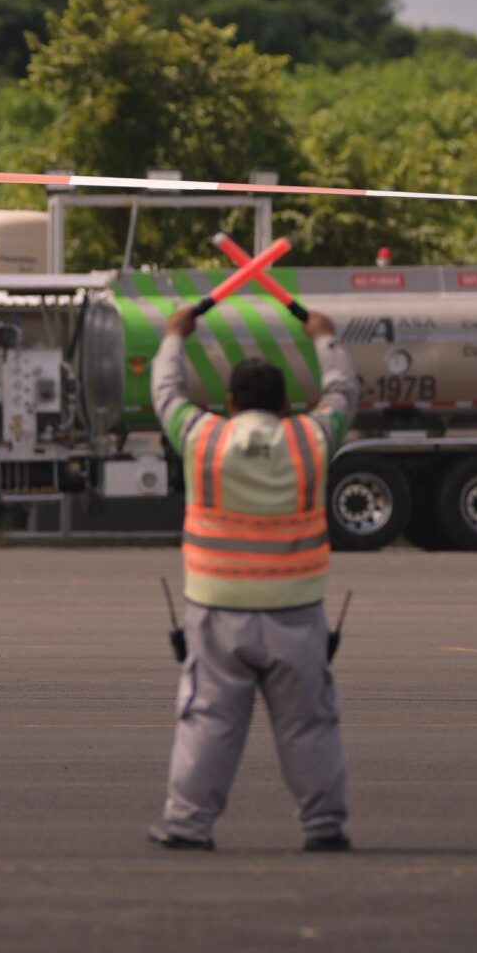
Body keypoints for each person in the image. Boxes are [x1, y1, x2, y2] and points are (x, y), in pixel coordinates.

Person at [149, 304, 360, 853]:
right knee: (309, 724)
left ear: (231, 403)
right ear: (287, 405)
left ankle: (188, 825)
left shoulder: (202, 438)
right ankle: (323, 826)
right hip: (297, 609)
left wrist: (175, 335)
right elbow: (343, 394)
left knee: (209, 721)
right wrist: (325, 338)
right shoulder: (311, 440)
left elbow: (166, 393)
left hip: (218, 610)